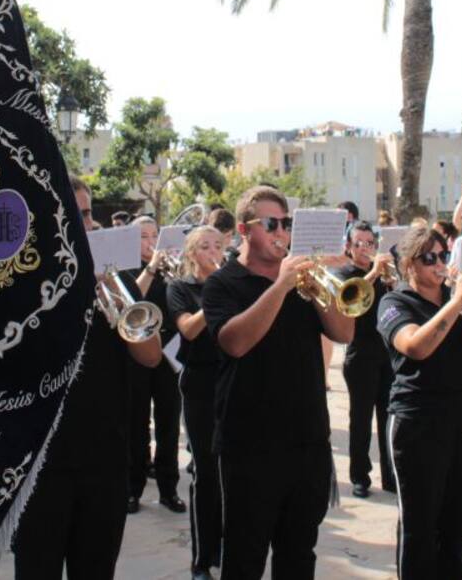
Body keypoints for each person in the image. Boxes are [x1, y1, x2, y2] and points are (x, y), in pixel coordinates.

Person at [12, 176, 163, 579]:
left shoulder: (116, 277)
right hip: (41, 463)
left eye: (88, 213)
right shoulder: (25, 280)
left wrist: (113, 296)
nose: (89, 224)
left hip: (105, 458)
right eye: (76, 215)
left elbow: (150, 356)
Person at [202, 186, 354, 580]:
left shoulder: (306, 282)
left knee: (299, 556)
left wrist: (326, 282)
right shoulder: (223, 283)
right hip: (249, 445)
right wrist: (281, 286)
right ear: (243, 229)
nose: (281, 232)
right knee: (244, 558)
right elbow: (234, 342)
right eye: (271, 224)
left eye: (286, 224)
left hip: (308, 441)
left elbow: (344, 332)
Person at [377, 225, 462, 579]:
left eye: (443, 256)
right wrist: (457, 302)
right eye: (429, 258)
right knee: (419, 529)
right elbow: (415, 346)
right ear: (408, 265)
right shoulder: (395, 302)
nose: (439, 265)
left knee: (457, 528)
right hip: (418, 422)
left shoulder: (457, 302)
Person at [167, 226, 226, 580]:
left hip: (232, 380)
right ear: (191, 253)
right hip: (201, 384)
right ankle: (202, 559)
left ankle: (229, 547)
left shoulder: (232, 283)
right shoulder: (180, 288)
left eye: (218, 245)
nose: (213, 251)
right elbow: (188, 329)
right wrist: (215, 294)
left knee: (233, 471)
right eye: (205, 246)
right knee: (205, 471)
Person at [120, 215, 185, 514]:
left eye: (153, 236)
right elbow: (131, 300)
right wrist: (150, 267)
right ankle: (132, 489)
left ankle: (169, 489)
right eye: (143, 236)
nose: (150, 242)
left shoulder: (172, 268)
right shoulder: (127, 269)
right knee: (136, 421)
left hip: (169, 348)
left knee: (169, 420)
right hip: (137, 349)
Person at [336, 221, 396, 498]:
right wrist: (373, 274)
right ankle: (360, 476)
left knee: (388, 418)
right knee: (360, 419)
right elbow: (348, 305)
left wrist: (393, 285)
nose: (364, 248)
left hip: (386, 354)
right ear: (348, 247)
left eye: (370, 243)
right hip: (359, 354)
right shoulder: (344, 274)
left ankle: (391, 475)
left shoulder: (384, 274)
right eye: (358, 243)